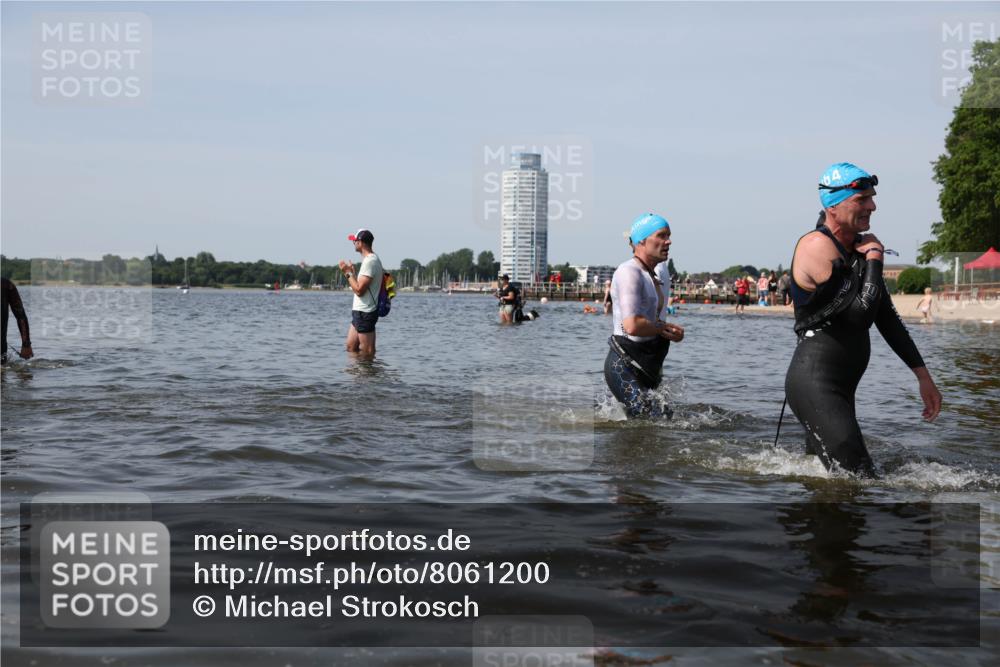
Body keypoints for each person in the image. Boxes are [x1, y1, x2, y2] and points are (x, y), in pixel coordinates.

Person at [784, 163, 942, 477]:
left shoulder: (855, 249)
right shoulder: (816, 247)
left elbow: (887, 317)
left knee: (835, 483)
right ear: (832, 205)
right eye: (862, 200)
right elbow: (859, 317)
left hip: (840, 388)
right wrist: (874, 260)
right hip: (816, 383)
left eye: (871, 197)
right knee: (861, 482)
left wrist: (923, 376)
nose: (872, 206)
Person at [604, 213, 684, 418]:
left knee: (663, 418)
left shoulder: (655, 272)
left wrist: (668, 332)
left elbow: (653, 320)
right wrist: (663, 327)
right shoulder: (628, 272)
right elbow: (632, 325)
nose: (669, 241)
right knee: (649, 420)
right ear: (642, 240)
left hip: (649, 363)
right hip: (625, 364)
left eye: (669, 235)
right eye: (661, 235)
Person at [338, 229, 383, 358]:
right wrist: (353, 274)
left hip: (366, 312)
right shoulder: (368, 260)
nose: (353, 243)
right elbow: (361, 286)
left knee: (367, 352)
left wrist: (347, 273)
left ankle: (368, 376)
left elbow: (359, 290)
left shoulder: (370, 261)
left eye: (355, 241)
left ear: (361, 242)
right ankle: (356, 377)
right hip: (359, 311)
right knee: (351, 347)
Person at [1, 277, 33, 365]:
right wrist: (26, 344)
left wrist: (26, 344)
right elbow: (21, 316)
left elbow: (21, 316)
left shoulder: (6, 285)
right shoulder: (6, 284)